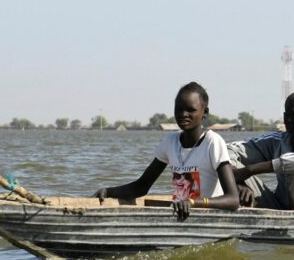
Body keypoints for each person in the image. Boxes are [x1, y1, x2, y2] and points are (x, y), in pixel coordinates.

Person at [93, 82, 239, 220]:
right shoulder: (170, 142)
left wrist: (193, 203)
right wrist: (108, 191)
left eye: (190, 110)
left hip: (207, 218)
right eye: (179, 109)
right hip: (181, 216)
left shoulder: (212, 142)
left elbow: (233, 200)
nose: (183, 114)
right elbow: (142, 186)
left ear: (204, 112)